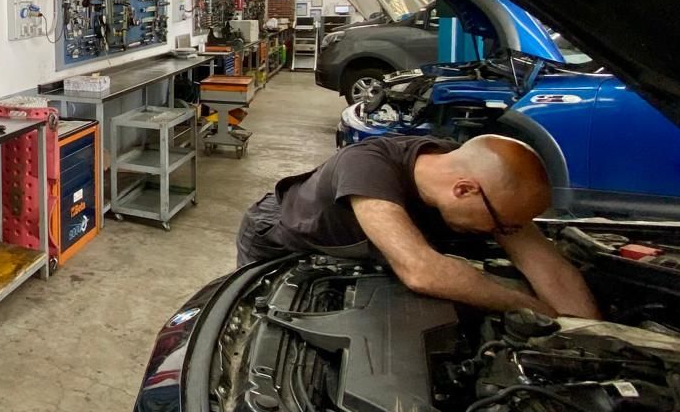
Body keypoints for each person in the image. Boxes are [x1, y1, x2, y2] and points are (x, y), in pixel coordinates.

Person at [235, 134, 598, 317]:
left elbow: (551, 270)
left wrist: (589, 333)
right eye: (501, 225)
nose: (501, 233)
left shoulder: (482, 182)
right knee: (258, 318)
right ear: (464, 190)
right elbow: (421, 271)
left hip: (357, 246)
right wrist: (531, 309)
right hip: (283, 237)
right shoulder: (367, 166)